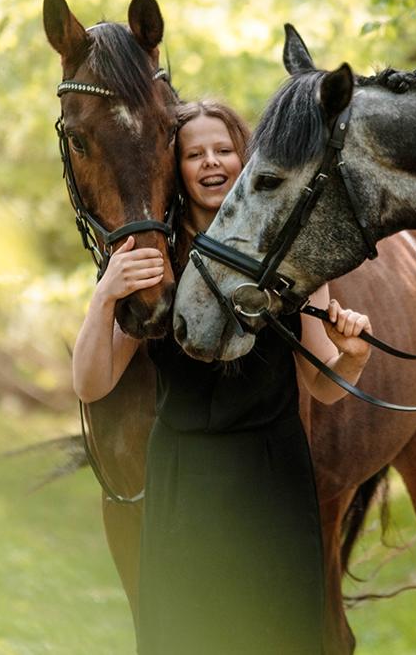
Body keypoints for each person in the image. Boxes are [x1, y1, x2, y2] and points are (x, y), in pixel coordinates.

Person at [72, 99, 373, 654]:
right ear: (177, 167)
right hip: (183, 478)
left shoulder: (291, 251)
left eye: (223, 149)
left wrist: (350, 358)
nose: (211, 162)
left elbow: (322, 385)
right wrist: (105, 295)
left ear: (244, 159)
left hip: (271, 475)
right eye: (194, 153)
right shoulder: (154, 257)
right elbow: (92, 384)